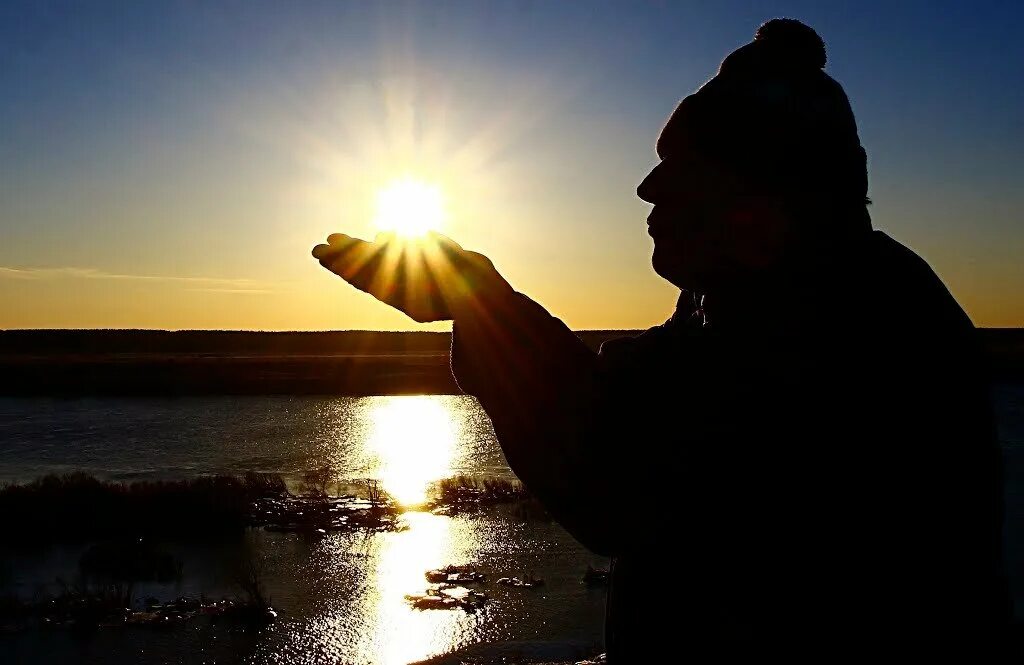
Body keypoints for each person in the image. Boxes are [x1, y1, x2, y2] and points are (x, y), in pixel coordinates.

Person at [313, 19, 1010, 661]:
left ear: (763, 196)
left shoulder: (854, 326)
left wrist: (483, 305)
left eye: (684, 172)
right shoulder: (759, 301)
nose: (649, 189)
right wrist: (481, 302)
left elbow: (622, 476)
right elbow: (636, 393)